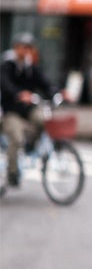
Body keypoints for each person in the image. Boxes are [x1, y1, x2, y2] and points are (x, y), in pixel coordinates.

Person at [1, 33, 55, 187]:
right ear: (16, 47)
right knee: (16, 138)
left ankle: (31, 144)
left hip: (29, 109)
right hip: (10, 111)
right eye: (23, 47)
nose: (26, 51)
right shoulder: (7, 65)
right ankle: (12, 173)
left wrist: (56, 92)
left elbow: (45, 83)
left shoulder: (31, 67)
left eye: (29, 48)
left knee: (43, 120)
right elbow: (4, 84)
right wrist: (18, 94)